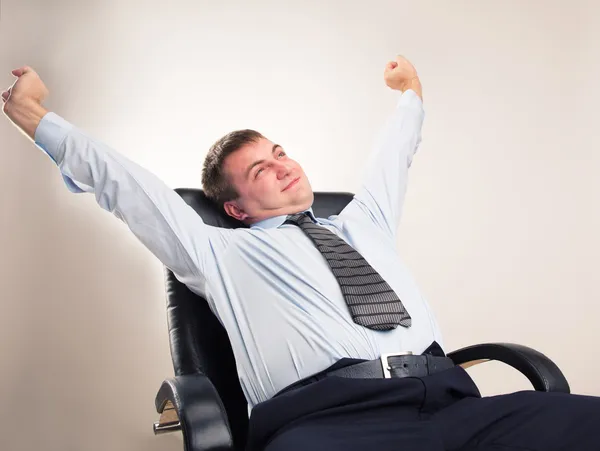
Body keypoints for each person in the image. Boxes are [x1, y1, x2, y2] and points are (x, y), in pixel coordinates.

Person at [3, 56, 600, 450]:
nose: (283, 164)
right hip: (332, 426)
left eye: (280, 150)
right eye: (260, 168)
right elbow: (122, 184)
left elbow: (395, 154)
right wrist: (30, 111)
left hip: (449, 404)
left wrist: (410, 94)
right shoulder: (216, 251)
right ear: (235, 207)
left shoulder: (362, 222)